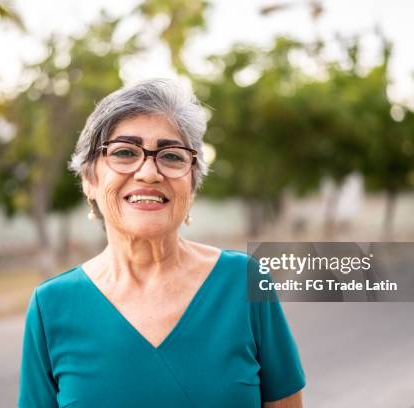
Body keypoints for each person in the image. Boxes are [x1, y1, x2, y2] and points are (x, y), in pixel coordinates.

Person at [18, 79, 305, 407]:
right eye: (125, 152)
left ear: (192, 184)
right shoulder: (51, 305)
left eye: (171, 156)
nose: (149, 172)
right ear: (89, 180)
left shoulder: (243, 280)